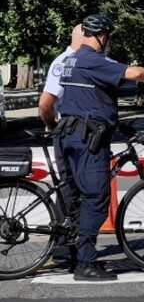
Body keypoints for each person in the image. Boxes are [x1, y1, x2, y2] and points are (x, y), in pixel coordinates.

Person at [55, 14, 144, 281]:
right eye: (108, 38)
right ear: (102, 37)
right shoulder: (93, 60)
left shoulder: (70, 60)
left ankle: (71, 253)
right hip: (87, 141)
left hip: (68, 134)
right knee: (96, 198)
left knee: (76, 197)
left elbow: (91, 97)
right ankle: (86, 264)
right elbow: (135, 73)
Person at [38, 24, 84, 268]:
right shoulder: (65, 62)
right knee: (68, 187)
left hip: (75, 129)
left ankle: (68, 245)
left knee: (74, 187)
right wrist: (51, 124)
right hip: (66, 130)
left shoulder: (78, 60)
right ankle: (61, 248)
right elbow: (46, 103)